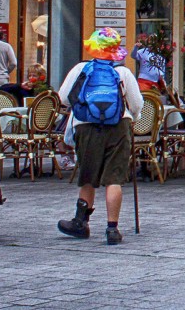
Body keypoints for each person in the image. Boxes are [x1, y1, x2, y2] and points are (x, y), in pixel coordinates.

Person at [56, 29, 144, 246]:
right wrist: (133, 117)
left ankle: (80, 222)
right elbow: (137, 104)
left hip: (86, 126)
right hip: (118, 125)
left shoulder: (80, 69)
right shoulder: (123, 72)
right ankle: (112, 229)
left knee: (88, 175)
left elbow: (64, 99)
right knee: (114, 178)